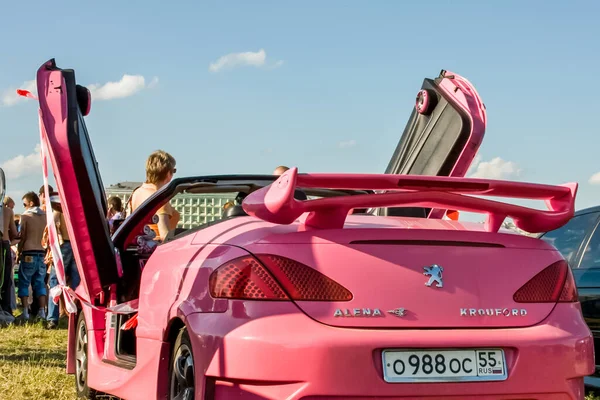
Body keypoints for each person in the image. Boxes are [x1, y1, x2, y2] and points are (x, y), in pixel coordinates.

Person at [46, 192, 80, 329]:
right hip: (77, 245)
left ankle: (52, 318)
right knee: (76, 282)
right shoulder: (77, 207)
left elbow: (53, 222)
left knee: (55, 280)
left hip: (64, 244)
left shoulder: (60, 207)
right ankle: (76, 314)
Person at [129, 150, 180, 240]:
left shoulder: (137, 192)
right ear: (168, 173)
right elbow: (165, 236)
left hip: (139, 247)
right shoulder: (159, 199)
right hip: (157, 250)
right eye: (174, 171)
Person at [17, 192, 47, 321]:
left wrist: (19, 251)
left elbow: (22, 236)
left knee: (24, 282)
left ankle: (25, 312)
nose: (24, 207)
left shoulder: (26, 216)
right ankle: (42, 311)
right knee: (40, 283)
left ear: (31, 203)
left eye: (24, 204)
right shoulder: (46, 216)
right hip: (41, 252)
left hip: (28, 252)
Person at [1, 196, 19, 316]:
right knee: (6, 279)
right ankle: (6, 309)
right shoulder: (7, 211)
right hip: (4, 244)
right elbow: (14, 233)